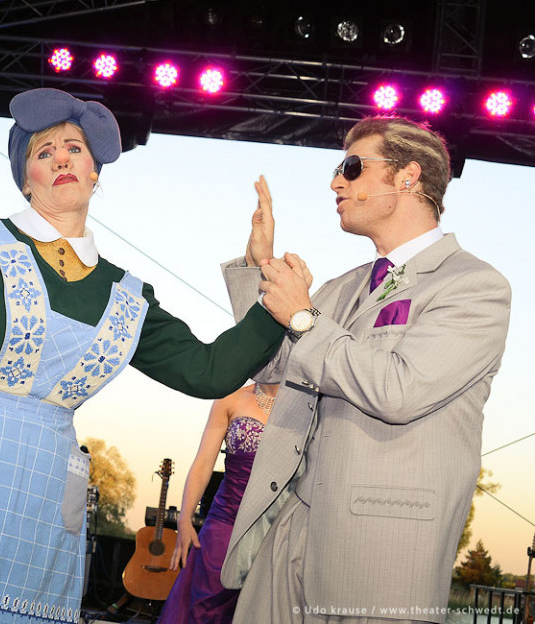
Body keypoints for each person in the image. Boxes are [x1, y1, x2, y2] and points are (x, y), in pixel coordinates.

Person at [0, 87, 287, 624]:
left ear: (95, 171)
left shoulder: (127, 294)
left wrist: (275, 298)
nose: (61, 158)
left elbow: (208, 371)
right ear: (26, 178)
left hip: (44, 483)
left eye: (74, 148)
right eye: (44, 151)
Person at [219, 118, 512, 623]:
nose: (336, 182)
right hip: (289, 531)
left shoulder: (474, 286)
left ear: (408, 177)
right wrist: (259, 268)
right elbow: (271, 368)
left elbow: (398, 389)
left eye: (352, 167)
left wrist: (304, 316)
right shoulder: (343, 287)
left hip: (380, 550)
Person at [157, 382, 279, 624]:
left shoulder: (306, 404)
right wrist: (185, 518)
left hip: (276, 529)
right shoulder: (230, 398)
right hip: (225, 524)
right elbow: (203, 463)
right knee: (206, 609)